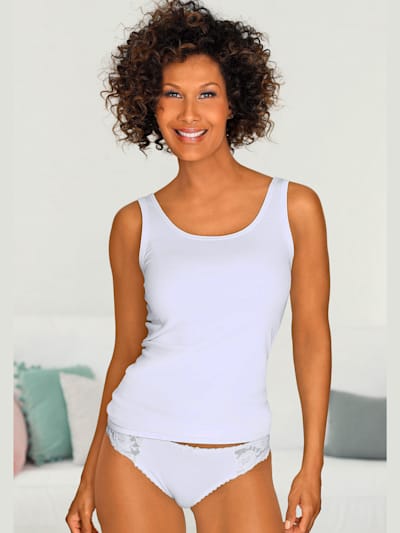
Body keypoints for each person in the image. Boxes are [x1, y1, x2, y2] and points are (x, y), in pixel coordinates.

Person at [65, 0, 331, 532]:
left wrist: (312, 466)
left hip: (239, 453)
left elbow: (311, 337)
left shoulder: (294, 207)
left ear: (234, 103)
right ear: (151, 104)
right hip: (136, 444)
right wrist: (89, 475)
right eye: (172, 95)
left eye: (207, 94)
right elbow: (126, 351)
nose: (189, 115)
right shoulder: (133, 223)